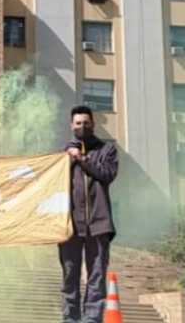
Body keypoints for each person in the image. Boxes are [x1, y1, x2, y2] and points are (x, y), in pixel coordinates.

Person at [59, 105, 118, 323]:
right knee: (69, 274)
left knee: (97, 275)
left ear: (93, 124)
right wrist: (69, 158)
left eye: (86, 123)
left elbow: (107, 174)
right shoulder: (63, 154)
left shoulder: (107, 150)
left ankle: (92, 318)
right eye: (78, 123)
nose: (82, 127)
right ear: (71, 125)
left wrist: (82, 159)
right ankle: (70, 318)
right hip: (70, 225)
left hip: (99, 223)